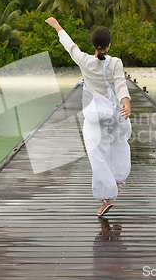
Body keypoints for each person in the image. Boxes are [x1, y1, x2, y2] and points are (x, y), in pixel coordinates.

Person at [45, 17, 132, 216]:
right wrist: (126, 104)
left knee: (97, 154)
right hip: (116, 113)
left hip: (95, 116)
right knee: (118, 144)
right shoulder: (115, 62)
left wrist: (57, 26)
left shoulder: (84, 61)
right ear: (109, 45)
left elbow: (70, 46)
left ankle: (106, 198)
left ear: (94, 45)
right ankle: (117, 181)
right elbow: (121, 85)